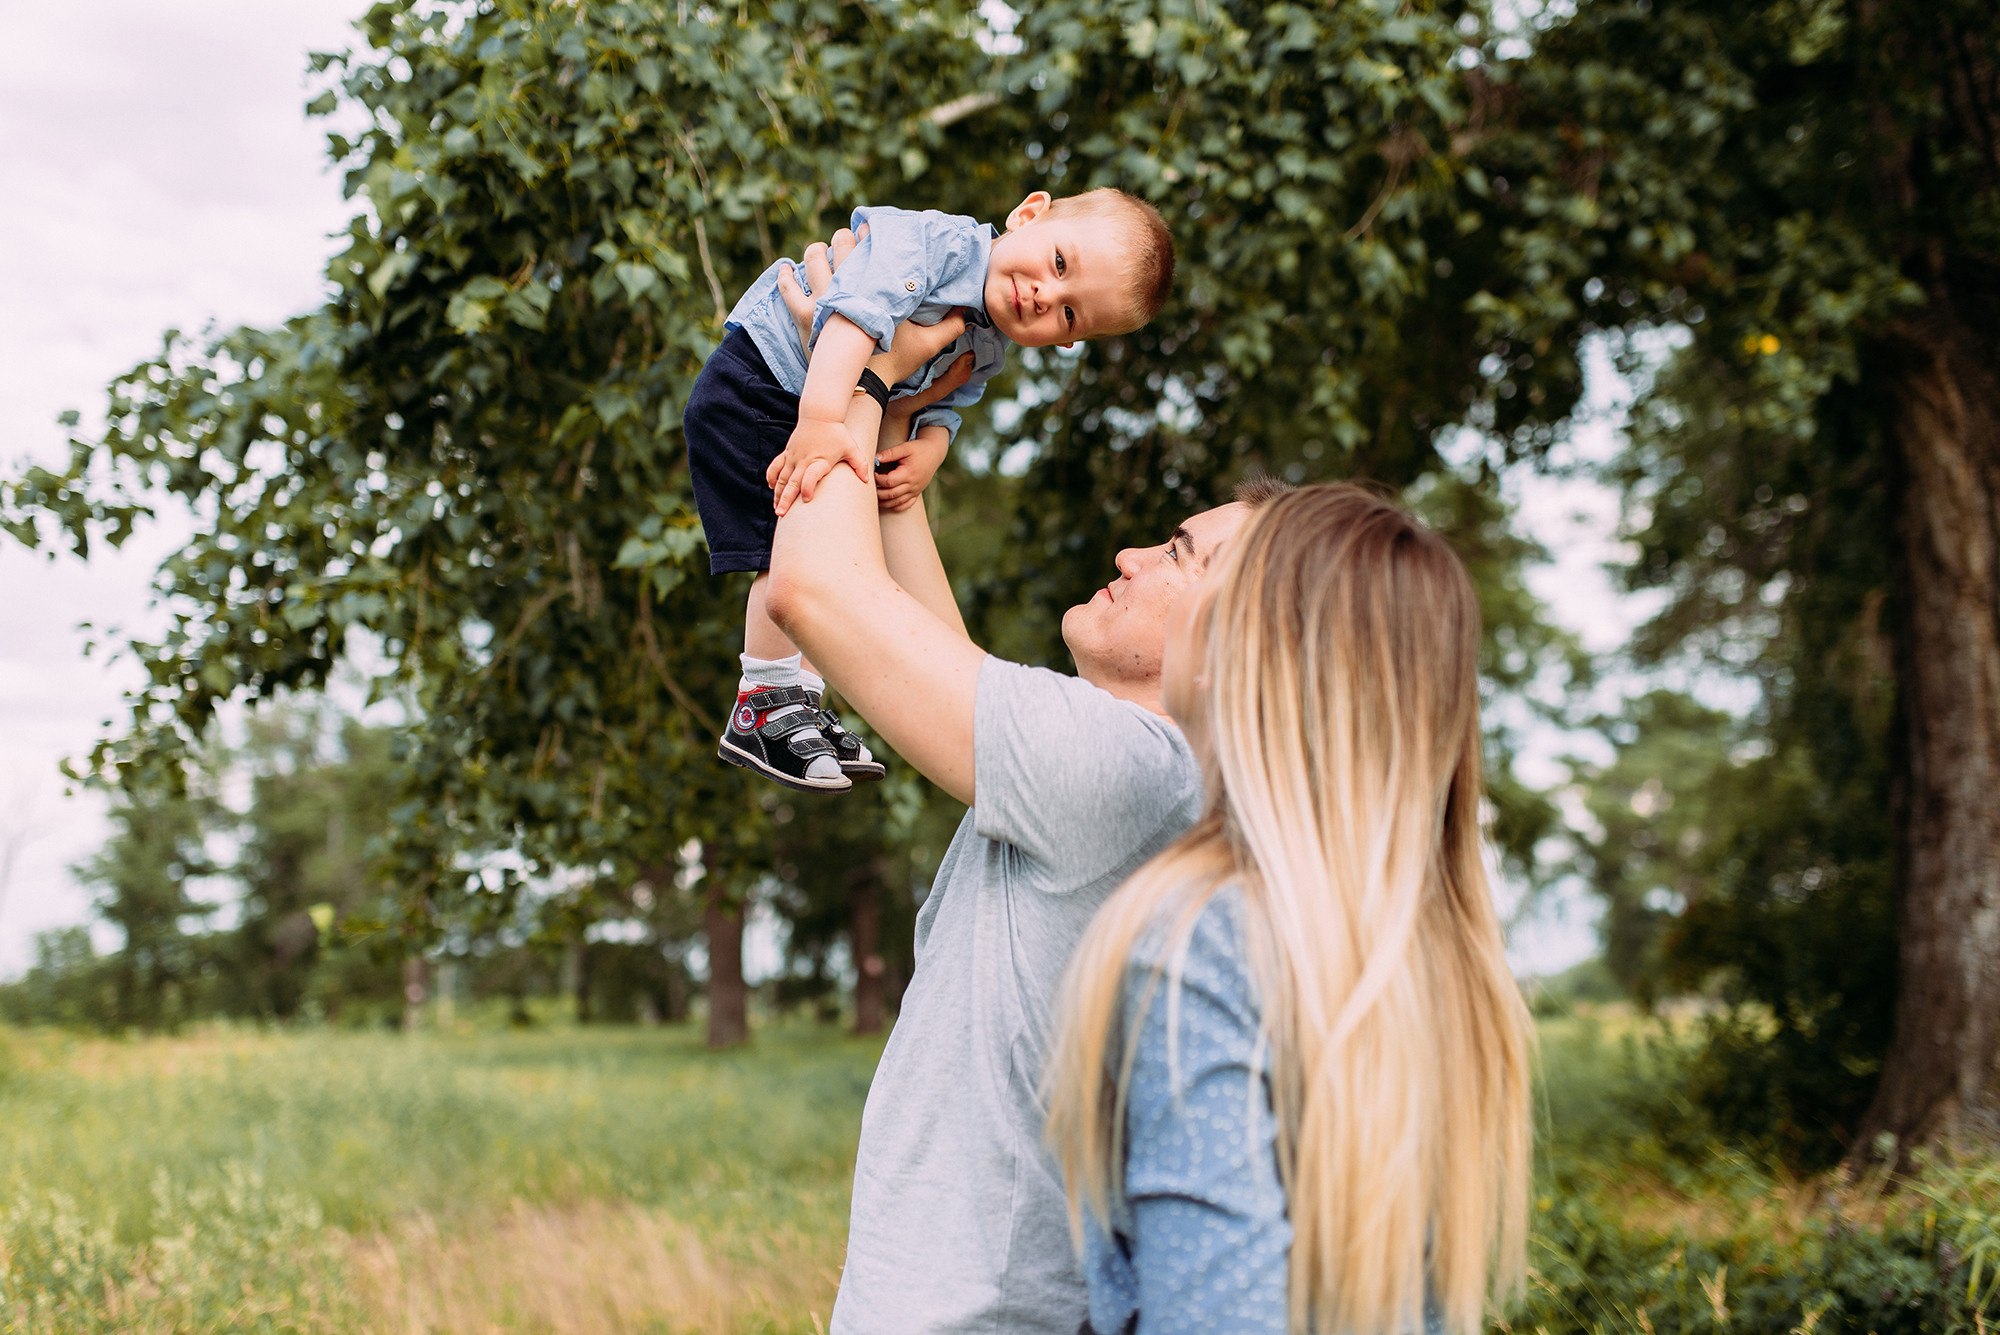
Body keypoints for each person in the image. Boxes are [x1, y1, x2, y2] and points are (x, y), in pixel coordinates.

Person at [758, 232, 1270, 1334]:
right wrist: (893, 419)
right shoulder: (1132, 769)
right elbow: (918, 642)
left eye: (1179, 555)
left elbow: (813, 591)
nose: (1134, 555)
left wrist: (845, 377)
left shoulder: (1126, 774)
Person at [1042, 485, 1537, 1335]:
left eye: (1223, 576)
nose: (1154, 567)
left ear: (1250, 650)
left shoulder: (1204, 938)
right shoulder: (1421, 957)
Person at [683, 188, 1174, 794]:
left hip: (819, 401)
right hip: (764, 384)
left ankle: (797, 699)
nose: (1047, 295)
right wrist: (818, 420)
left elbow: (951, 399)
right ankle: (763, 700)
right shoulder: (936, 248)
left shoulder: (987, 343)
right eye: (1060, 264)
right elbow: (852, 312)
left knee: (806, 536)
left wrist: (930, 446)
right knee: (782, 547)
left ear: (1065, 343)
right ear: (1027, 214)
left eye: (1069, 313)